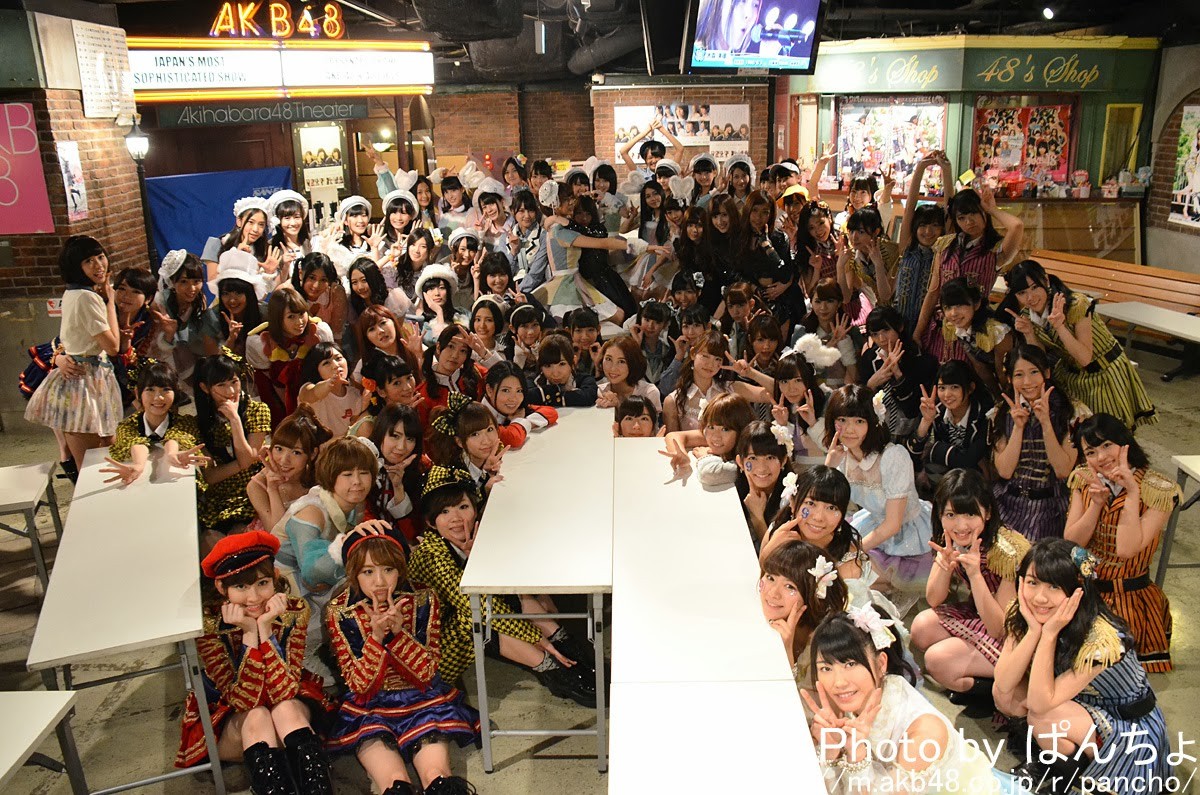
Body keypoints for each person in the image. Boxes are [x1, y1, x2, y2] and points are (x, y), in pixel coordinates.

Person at [407, 466, 597, 706]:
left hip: (465, 620)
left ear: (475, 509)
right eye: (444, 511)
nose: (456, 518)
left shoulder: (474, 536)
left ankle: (568, 650)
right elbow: (475, 604)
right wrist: (537, 638)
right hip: (431, 651)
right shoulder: (430, 555)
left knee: (505, 595)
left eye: (463, 507)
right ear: (430, 522)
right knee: (475, 615)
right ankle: (551, 667)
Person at [993, 539, 1173, 791]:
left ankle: (1070, 778)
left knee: (1041, 716)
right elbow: (1002, 686)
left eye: (1054, 586)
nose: (1040, 597)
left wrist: (1049, 634)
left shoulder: (1103, 638)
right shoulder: (1023, 611)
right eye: (1033, 582)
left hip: (1123, 717)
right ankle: (1049, 761)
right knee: (1008, 696)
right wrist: (1033, 631)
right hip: (1074, 700)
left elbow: (1039, 704)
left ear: (1078, 589)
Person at [325, 527, 479, 795]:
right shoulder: (341, 611)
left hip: (422, 699)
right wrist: (375, 638)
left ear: (400, 569)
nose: (379, 581)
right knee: (395, 782)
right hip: (369, 707)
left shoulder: (423, 598)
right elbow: (358, 684)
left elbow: (428, 671)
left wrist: (399, 635)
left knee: (437, 777)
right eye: (368, 572)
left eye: (388, 569)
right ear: (354, 574)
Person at [804, 610, 1029, 794]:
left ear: (881, 664)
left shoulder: (924, 733)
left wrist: (857, 757)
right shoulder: (853, 699)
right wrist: (830, 752)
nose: (839, 682)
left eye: (851, 664)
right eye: (826, 668)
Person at [179, 531, 335, 794]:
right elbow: (244, 701)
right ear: (222, 588)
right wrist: (250, 634)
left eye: (262, 583)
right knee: (258, 715)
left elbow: (284, 690)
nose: (254, 598)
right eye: (241, 587)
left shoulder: (293, 611)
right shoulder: (211, 626)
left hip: (286, 709)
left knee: (285, 709)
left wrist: (265, 629)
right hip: (233, 718)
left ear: (275, 577)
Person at [1064, 414, 1179, 672]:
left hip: (1132, 600)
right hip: (1088, 594)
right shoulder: (1084, 480)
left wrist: (1132, 492)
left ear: (1124, 443)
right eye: (1091, 452)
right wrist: (1096, 505)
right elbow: (1071, 543)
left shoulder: (1159, 490)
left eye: (1107, 445)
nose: (1101, 457)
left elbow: (1127, 550)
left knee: (1114, 675)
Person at [911, 469, 1031, 716]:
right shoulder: (950, 538)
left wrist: (975, 575)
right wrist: (944, 565)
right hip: (981, 613)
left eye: (970, 514)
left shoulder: (1008, 551)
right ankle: (979, 675)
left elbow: (1000, 628)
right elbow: (933, 599)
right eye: (951, 514)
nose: (961, 525)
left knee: (937, 660)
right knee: (921, 628)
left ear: (987, 513)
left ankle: (995, 691)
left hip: (1015, 630)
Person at [1006, 259, 1155, 429]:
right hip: (1072, 377)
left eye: (1035, 287)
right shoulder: (1027, 315)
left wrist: (1060, 327)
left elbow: (1085, 358)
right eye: (1022, 293)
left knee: (1110, 433)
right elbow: (1040, 361)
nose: (1030, 297)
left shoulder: (1076, 304)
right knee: (1080, 434)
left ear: (1046, 280)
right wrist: (1029, 333)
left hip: (1104, 373)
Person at [824, 384, 933, 584]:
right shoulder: (841, 455)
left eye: (859, 421)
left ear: (873, 422)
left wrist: (853, 551)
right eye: (842, 420)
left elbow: (893, 524)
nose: (849, 429)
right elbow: (823, 503)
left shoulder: (893, 457)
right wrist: (829, 465)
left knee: (850, 576)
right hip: (871, 525)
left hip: (908, 534)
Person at [916, 187, 1025, 361]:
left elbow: (1017, 226)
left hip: (976, 330)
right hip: (940, 328)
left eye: (974, 213)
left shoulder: (995, 249)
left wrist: (992, 209)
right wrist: (918, 332)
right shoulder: (945, 245)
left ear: (983, 212)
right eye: (962, 218)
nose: (969, 222)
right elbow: (933, 291)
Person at [992, 344, 1084, 543]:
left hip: (1051, 507)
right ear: (1010, 379)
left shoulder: (1072, 412)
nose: (1027, 382)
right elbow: (1005, 471)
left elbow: (1063, 470)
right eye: (1019, 375)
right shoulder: (1001, 412)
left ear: (1047, 373)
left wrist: (1046, 423)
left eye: (1034, 372)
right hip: (1008, 503)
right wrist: (1018, 427)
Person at [194, 353, 271, 536]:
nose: (230, 391)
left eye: (234, 382)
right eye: (221, 385)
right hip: (222, 495)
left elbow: (248, 459)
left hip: (255, 485)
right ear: (205, 388)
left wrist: (235, 420)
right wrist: (244, 462)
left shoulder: (257, 410)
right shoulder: (199, 423)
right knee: (210, 538)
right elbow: (211, 476)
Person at [102, 361, 207, 486]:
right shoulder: (127, 426)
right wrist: (138, 465)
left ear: (175, 393)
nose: (158, 397)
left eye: (166, 390)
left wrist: (171, 454)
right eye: (150, 390)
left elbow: (176, 437)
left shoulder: (185, 422)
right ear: (138, 393)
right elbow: (135, 442)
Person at [760, 538, 849, 685]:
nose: (773, 593)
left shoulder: (824, 644)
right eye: (770, 578)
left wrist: (785, 649)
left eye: (790, 586)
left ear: (813, 596)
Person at [247, 287, 335, 427]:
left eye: (302, 314)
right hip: (279, 402)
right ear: (277, 318)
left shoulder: (319, 332)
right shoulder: (261, 341)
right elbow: (267, 381)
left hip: (318, 396)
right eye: (291, 317)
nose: (299, 321)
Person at [247, 405, 331, 535]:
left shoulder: (320, 476)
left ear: (312, 454)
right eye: (279, 449)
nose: (284, 460)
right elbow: (276, 536)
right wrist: (273, 489)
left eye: (296, 452)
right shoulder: (257, 485)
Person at [907, 360, 991, 486]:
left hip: (975, 479)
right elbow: (912, 455)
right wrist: (926, 421)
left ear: (971, 388)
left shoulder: (984, 414)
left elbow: (968, 461)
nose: (947, 395)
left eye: (954, 387)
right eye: (942, 388)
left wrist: (933, 449)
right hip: (947, 475)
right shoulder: (935, 409)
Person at [860, 306, 936, 444]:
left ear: (900, 327)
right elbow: (859, 406)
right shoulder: (869, 358)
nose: (881, 339)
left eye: (886, 330)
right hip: (875, 434)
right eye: (875, 334)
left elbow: (912, 410)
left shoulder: (920, 360)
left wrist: (898, 376)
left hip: (911, 435)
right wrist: (870, 385)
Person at [661, 392, 755, 488]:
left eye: (725, 429)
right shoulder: (715, 436)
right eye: (711, 427)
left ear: (742, 430)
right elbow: (673, 436)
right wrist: (682, 455)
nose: (715, 437)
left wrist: (705, 457)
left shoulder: (750, 459)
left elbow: (709, 474)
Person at [939, 277, 1013, 399]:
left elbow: (1004, 372)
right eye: (948, 307)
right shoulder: (957, 327)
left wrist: (1007, 400)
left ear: (976, 304)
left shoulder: (997, 331)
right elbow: (979, 366)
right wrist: (997, 398)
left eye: (959, 305)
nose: (953, 313)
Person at [150, 250, 209, 389]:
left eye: (196, 281)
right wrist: (169, 334)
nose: (192, 288)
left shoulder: (200, 300)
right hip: (162, 357)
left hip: (188, 351)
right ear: (172, 282)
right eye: (183, 282)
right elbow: (155, 347)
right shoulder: (159, 304)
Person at [480, 362, 558, 450]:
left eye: (519, 391)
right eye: (506, 390)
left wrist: (523, 422)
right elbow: (513, 438)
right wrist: (519, 421)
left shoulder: (515, 411)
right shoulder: (479, 418)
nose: (513, 399)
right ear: (489, 390)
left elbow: (551, 412)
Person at [297, 343, 367, 439]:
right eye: (326, 363)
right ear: (315, 370)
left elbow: (354, 426)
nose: (336, 365)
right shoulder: (307, 388)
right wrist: (329, 383)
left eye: (338, 358)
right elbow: (311, 393)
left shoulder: (355, 393)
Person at [528, 333, 598, 407]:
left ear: (573, 362)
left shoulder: (584, 379)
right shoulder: (533, 381)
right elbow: (526, 396)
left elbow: (588, 396)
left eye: (562, 364)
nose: (555, 373)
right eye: (547, 366)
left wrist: (546, 396)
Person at [595, 335, 662, 412]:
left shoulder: (649, 392)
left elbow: (649, 420)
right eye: (608, 359)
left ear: (633, 363)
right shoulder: (600, 391)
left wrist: (618, 407)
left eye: (621, 361)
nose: (613, 368)